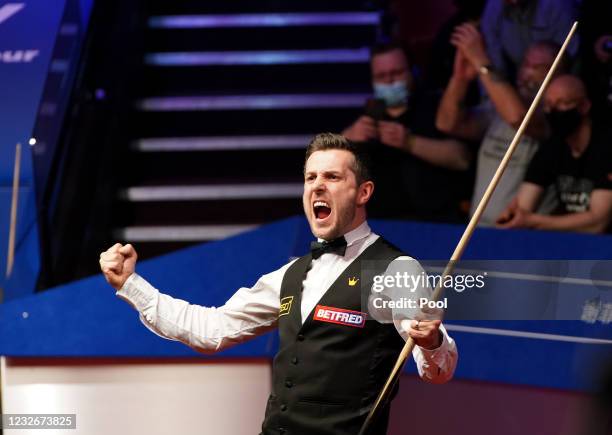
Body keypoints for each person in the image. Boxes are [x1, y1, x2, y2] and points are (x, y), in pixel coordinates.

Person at [99, 133, 458, 435]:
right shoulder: (289, 275)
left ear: (363, 192)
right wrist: (131, 284)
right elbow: (211, 330)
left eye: (332, 177)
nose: (318, 185)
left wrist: (431, 341)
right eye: (310, 177)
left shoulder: (394, 268)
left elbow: (438, 371)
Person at [436, 27, 564, 225]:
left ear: (559, 75)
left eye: (540, 68)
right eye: (526, 64)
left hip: (521, 235)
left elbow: (519, 120)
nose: (527, 73)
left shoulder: (553, 118)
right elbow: (447, 123)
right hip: (478, 230)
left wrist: (481, 60)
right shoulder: (496, 109)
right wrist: (460, 78)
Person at [342, 42, 472, 222]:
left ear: (413, 71)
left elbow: (462, 159)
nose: (389, 81)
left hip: (435, 221)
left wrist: (409, 143)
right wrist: (348, 138)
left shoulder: (436, 107)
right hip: (381, 225)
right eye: (381, 76)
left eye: (396, 73)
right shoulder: (365, 116)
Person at [497, 75, 612, 233]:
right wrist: (513, 216)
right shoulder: (553, 147)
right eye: (548, 105)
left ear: (584, 106)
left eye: (562, 103)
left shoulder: (606, 147)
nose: (553, 111)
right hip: (566, 243)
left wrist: (533, 221)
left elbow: (598, 222)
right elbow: (524, 205)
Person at [480, 0, 578, 82]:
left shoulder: (558, 6)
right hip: (517, 88)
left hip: (554, 85)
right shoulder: (494, 7)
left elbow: (569, 65)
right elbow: (494, 69)